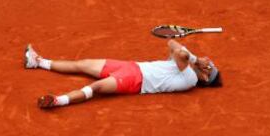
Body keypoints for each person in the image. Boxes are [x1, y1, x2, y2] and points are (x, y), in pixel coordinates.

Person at [24, 39, 222, 109]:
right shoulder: (185, 66)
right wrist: (196, 60)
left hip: (135, 81)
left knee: (96, 87)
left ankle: (58, 101)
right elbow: (171, 43)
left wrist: (196, 61)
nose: (208, 62)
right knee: (82, 64)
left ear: (204, 78)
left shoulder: (190, 77)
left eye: (210, 68)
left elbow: (180, 52)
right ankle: (38, 61)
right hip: (130, 67)